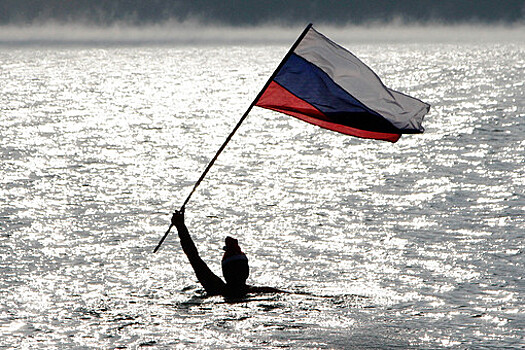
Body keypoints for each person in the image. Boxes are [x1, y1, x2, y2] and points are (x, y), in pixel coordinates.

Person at [171, 209, 286, 298]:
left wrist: (181, 226)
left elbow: (193, 257)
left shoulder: (216, 288)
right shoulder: (265, 291)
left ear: (225, 272)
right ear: (246, 271)